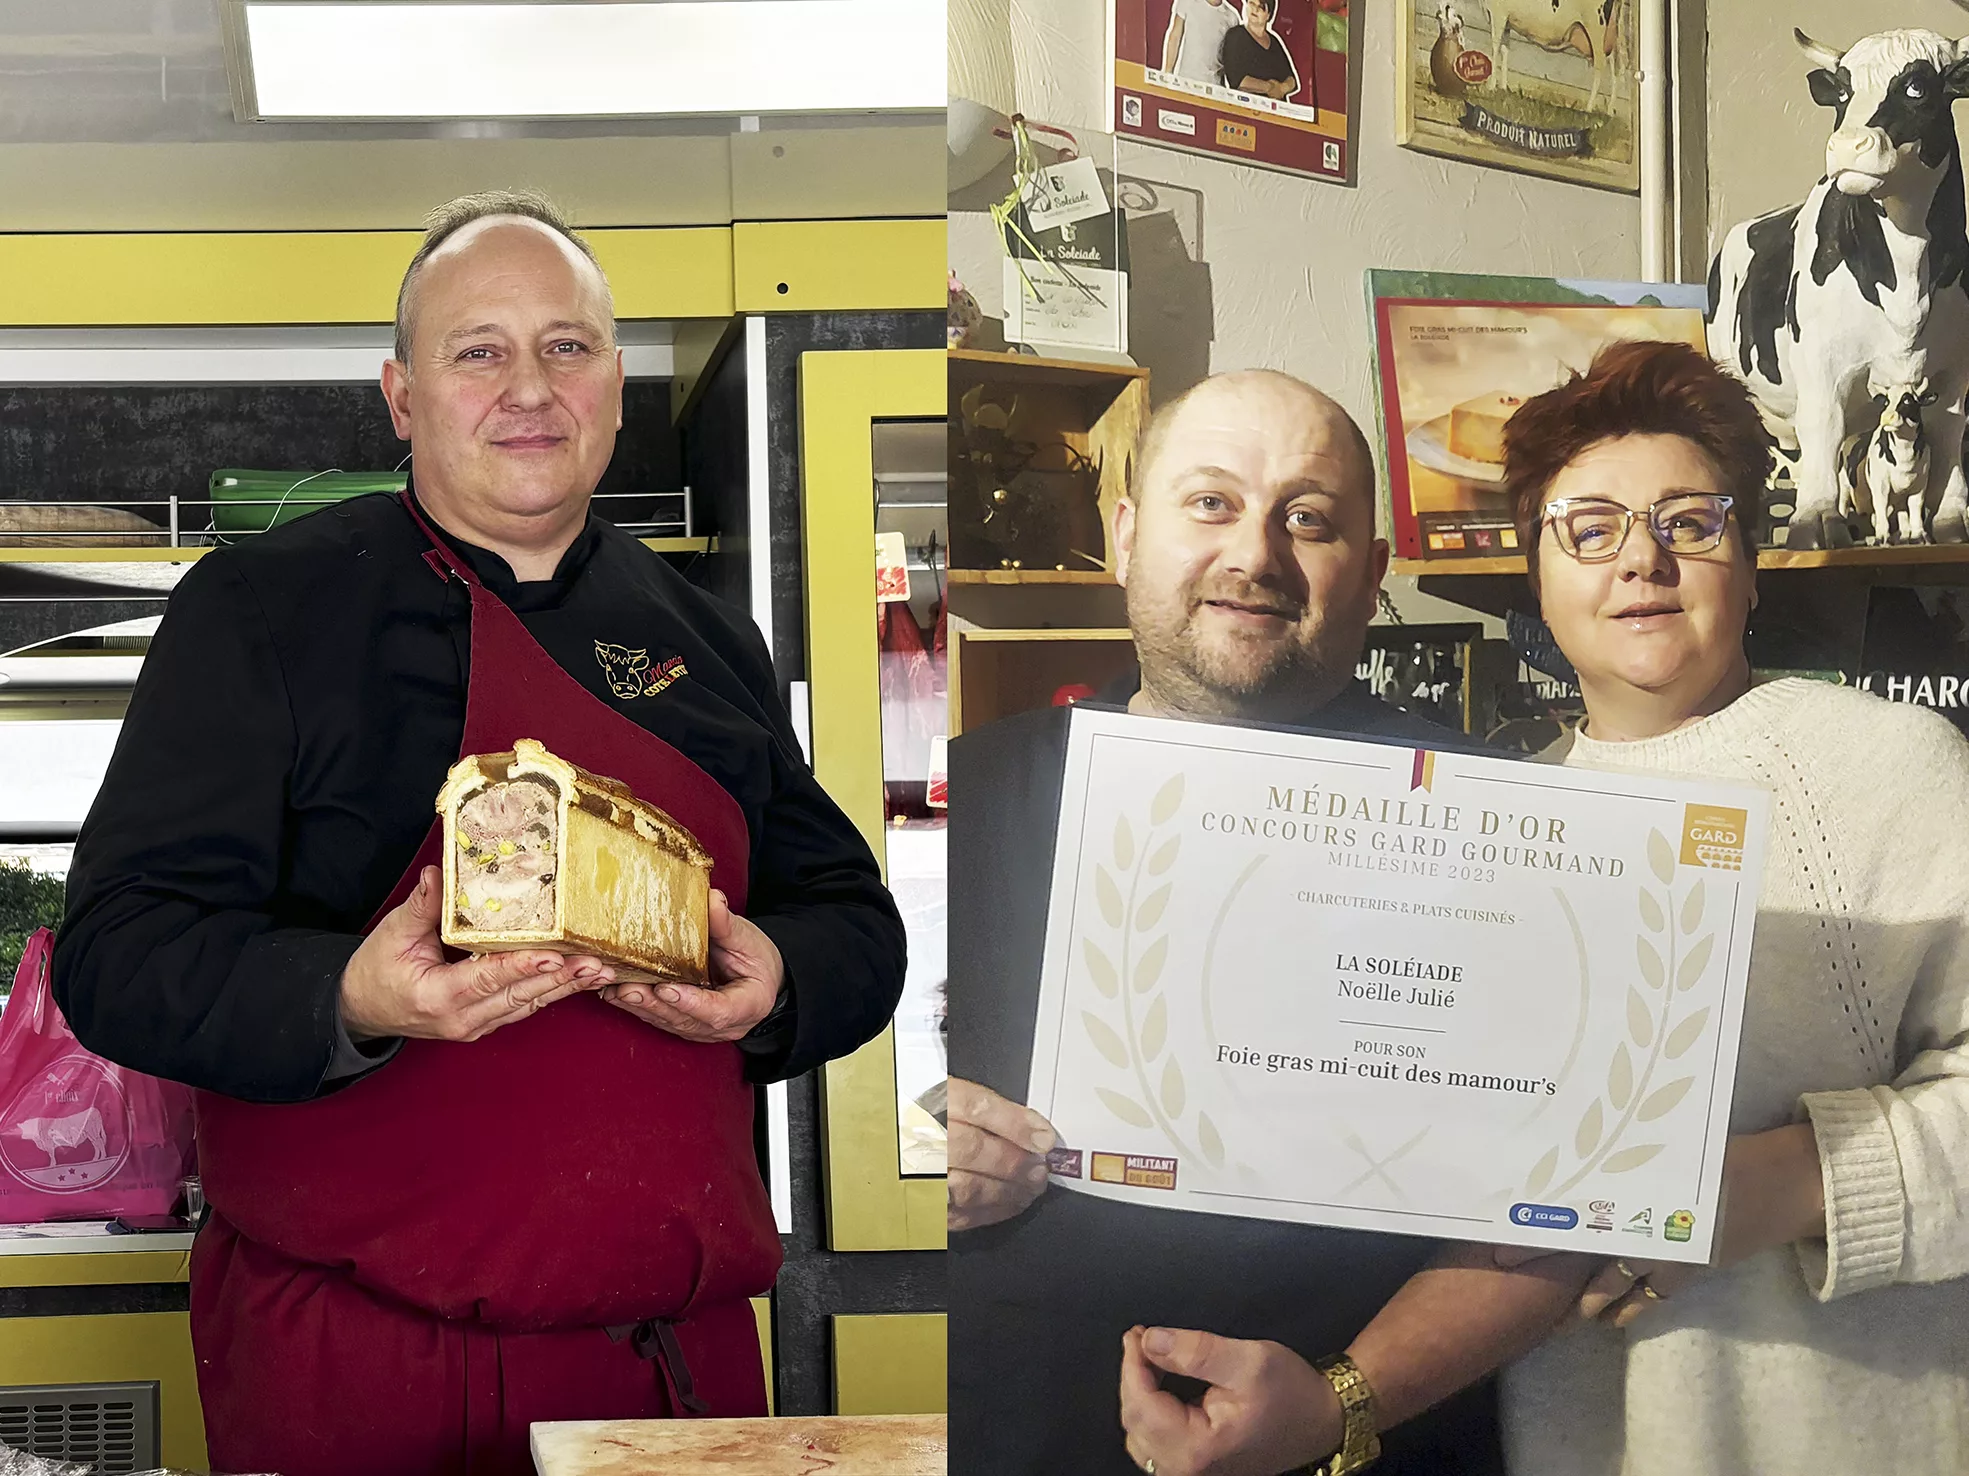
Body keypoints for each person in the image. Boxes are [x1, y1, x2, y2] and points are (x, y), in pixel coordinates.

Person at [54, 190, 907, 1476]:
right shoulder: (261, 613)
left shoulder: (707, 640)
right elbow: (115, 954)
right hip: (363, 1370)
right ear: (402, 396)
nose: (529, 388)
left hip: (673, 1377)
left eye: (567, 346)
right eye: (478, 350)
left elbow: (858, 924)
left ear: (614, 382)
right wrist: (349, 993)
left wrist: (776, 984)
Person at [1117, 340, 1969, 1476]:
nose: (1642, 561)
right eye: (1590, 528)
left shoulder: (1887, 768)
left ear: (1750, 565)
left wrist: (1792, 1179)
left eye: (1690, 522)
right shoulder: (1485, 821)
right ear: (1538, 578)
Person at [948, 369, 1523, 1476]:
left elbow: (1559, 1214)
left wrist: (1340, 1405)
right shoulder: (955, 802)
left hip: (1378, 1449)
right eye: (1209, 503)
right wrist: (915, 1148)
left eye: (1307, 518)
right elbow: (820, 1097)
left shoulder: (1498, 821)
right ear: (1123, 537)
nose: (1255, 554)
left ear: (1372, 577)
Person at [1219, 0, 1300, 101]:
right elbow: (1238, 80)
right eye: (1252, 3)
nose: (1255, 9)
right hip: (1246, 106)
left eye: (1261, 7)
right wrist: (1269, 87)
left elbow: (1291, 80)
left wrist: (1281, 89)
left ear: (1269, 15)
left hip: (1276, 110)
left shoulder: (1274, 41)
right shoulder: (1235, 35)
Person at [1162, 0, 1240, 86]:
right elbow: (1175, 37)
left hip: (1215, 86)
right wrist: (1168, 72)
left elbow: (1231, 58)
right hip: (1186, 79)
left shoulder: (1232, 18)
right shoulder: (1187, 2)